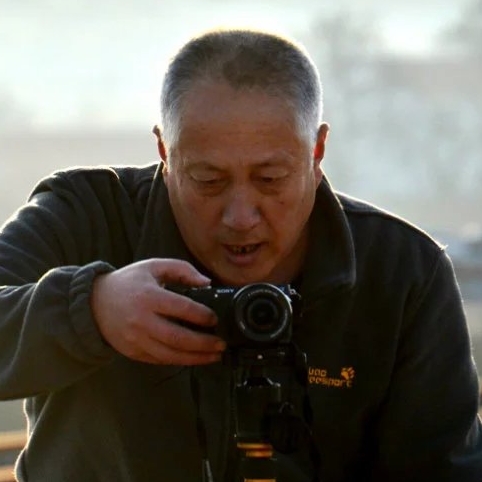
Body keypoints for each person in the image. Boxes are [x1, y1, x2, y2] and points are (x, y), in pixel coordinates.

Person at [0, 29, 481, 482]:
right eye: (208, 181)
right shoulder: (86, 218)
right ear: (165, 151)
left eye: (270, 179)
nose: (241, 216)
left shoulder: (402, 273)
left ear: (317, 152)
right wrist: (91, 310)